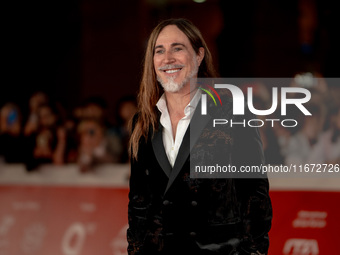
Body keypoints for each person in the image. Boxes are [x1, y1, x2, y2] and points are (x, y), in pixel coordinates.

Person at [127, 18, 272, 255]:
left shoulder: (231, 111)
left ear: (199, 55)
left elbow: (254, 197)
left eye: (178, 48)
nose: (168, 58)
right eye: (159, 51)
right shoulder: (143, 122)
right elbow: (138, 204)